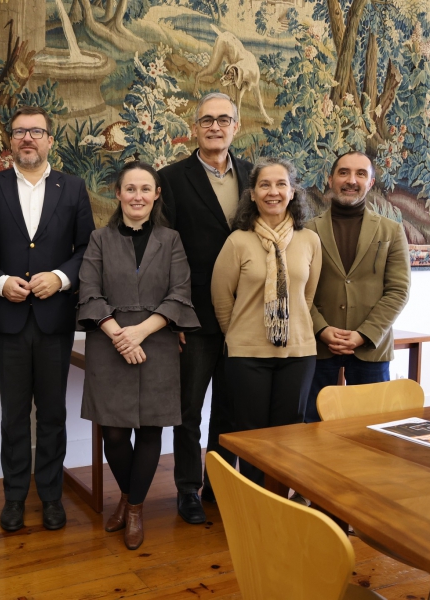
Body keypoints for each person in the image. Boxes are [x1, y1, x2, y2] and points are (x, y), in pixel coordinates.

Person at [0, 106, 95, 531]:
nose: (27, 138)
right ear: (10, 141)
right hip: (6, 319)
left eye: (36, 132)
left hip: (54, 320)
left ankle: (50, 496)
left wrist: (62, 277)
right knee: (13, 415)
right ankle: (13, 498)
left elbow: (87, 249)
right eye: (19, 132)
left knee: (51, 414)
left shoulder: (73, 188)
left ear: (50, 140)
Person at [77, 161, 200, 550]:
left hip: (158, 341)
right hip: (108, 341)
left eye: (146, 189)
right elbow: (89, 293)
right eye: (130, 189)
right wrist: (119, 335)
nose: (138, 196)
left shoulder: (172, 239)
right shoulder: (99, 239)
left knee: (150, 430)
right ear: (117, 194)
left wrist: (141, 332)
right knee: (113, 434)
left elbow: (180, 294)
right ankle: (130, 499)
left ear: (157, 194)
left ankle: (133, 509)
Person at [158, 92, 252, 522]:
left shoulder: (255, 178)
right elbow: (164, 253)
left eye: (224, 120)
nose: (215, 127)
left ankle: (218, 482)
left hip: (244, 317)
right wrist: (173, 314)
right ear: (194, 128)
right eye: (207, 120)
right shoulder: (172, 179)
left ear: (237, 126)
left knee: (231, 407)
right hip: (193, 317)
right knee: (189, 410)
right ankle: (187, 490)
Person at [211, 157, 321, 486]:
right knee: (252, 434)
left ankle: (281, 497)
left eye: (280, 184)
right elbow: (221, 298)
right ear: (253, 194)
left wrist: (291, 327)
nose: (273, 192)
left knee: (289, 432)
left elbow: (308, 297)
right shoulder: (237, 241)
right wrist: (242, 335)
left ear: (292, 192)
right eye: (264, 185)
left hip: (298, 354)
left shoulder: (310, 240)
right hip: (247, 356)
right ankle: (256, 502)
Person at [303, 151, 411, 422]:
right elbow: (298, 290)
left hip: (371, 348)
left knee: (372, 430)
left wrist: (364, 334)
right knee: (311, 430)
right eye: (344, 173)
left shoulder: (391, 231)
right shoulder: (306, 231)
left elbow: (398, 290)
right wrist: (322, 329)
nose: (351, 180)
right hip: (317, 347)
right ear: (330, 179)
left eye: (360, 174)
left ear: (371, 183)